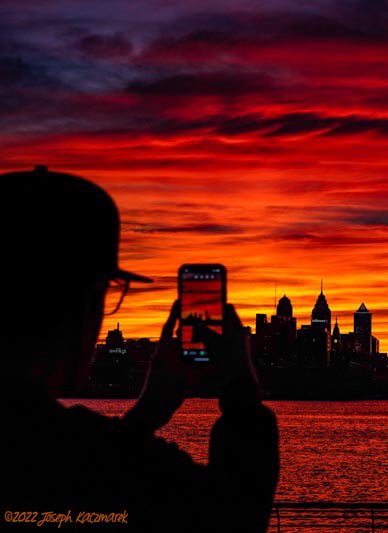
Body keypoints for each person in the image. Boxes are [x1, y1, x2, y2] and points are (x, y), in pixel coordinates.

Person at [0, 166, 279, 532]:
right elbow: (234, 513)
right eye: (107, 295)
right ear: (85, 306)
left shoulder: (66, 454)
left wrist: (147, 413)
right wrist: (241, 388)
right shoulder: (119, 469)